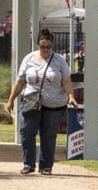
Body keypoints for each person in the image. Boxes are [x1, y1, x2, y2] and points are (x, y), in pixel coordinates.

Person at [7, 28, 76, 175]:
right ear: (38, 44)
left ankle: (45, 166)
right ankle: (28, 164)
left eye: (48, 47)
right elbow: (20, 81)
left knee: (48, 135)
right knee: (26, 132)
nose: (45, 49)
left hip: (54, 104)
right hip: (32, 102)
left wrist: (71, 96)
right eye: (43, 46)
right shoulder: (29, 59)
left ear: (52, 46)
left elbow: (66, 81)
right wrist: (11, 99)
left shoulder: (60, 61)